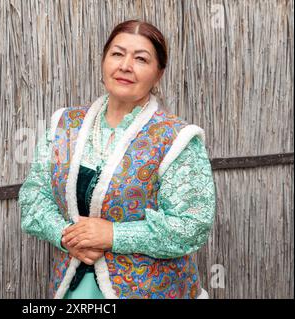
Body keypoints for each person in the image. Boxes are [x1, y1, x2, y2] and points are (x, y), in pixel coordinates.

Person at [19, 19, 216, 299]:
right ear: (103, 61)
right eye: (117, 54)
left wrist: (113, 235)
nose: (125, 66)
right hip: (74, 288)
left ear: (158, 73)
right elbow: (33, 197)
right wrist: (66, 235)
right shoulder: (66, 124)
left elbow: (191, 225)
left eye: (141, 59)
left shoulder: (176, 138)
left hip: (152, 290)